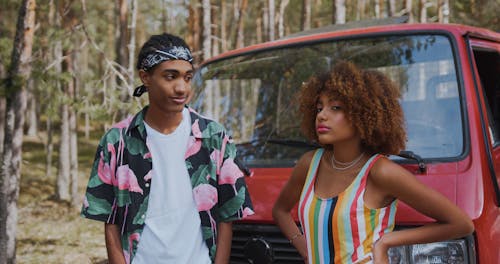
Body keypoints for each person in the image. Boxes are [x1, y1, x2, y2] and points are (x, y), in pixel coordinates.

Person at [272, 61, 474, 263]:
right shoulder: (309, 164)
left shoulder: (380, 172)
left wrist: (386, 243)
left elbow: (461, 223)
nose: (322, 116)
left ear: (363, 113)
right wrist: (306, 250)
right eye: (319, 108)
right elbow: (280, 210)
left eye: (335, 107)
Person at [81, 33, 254, 264]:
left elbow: (227, 216)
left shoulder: (214, 137)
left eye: (188, 77)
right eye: (170, 76)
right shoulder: (117, 141)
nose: (181, 88)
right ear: (146, 77)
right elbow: (110, 222)